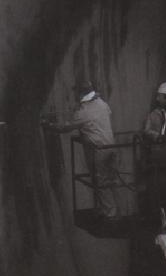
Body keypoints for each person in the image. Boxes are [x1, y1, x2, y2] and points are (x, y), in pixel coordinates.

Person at [43, 81, 120, 219]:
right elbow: (105, 113)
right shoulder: (102, 104)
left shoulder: (83, 112)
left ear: (81, 94)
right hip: (111, 147)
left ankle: (110, 212)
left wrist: (48, 126)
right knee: (111, 180)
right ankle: (110, 210)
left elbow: (65, 128)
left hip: (99, 150)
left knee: (100, 181)